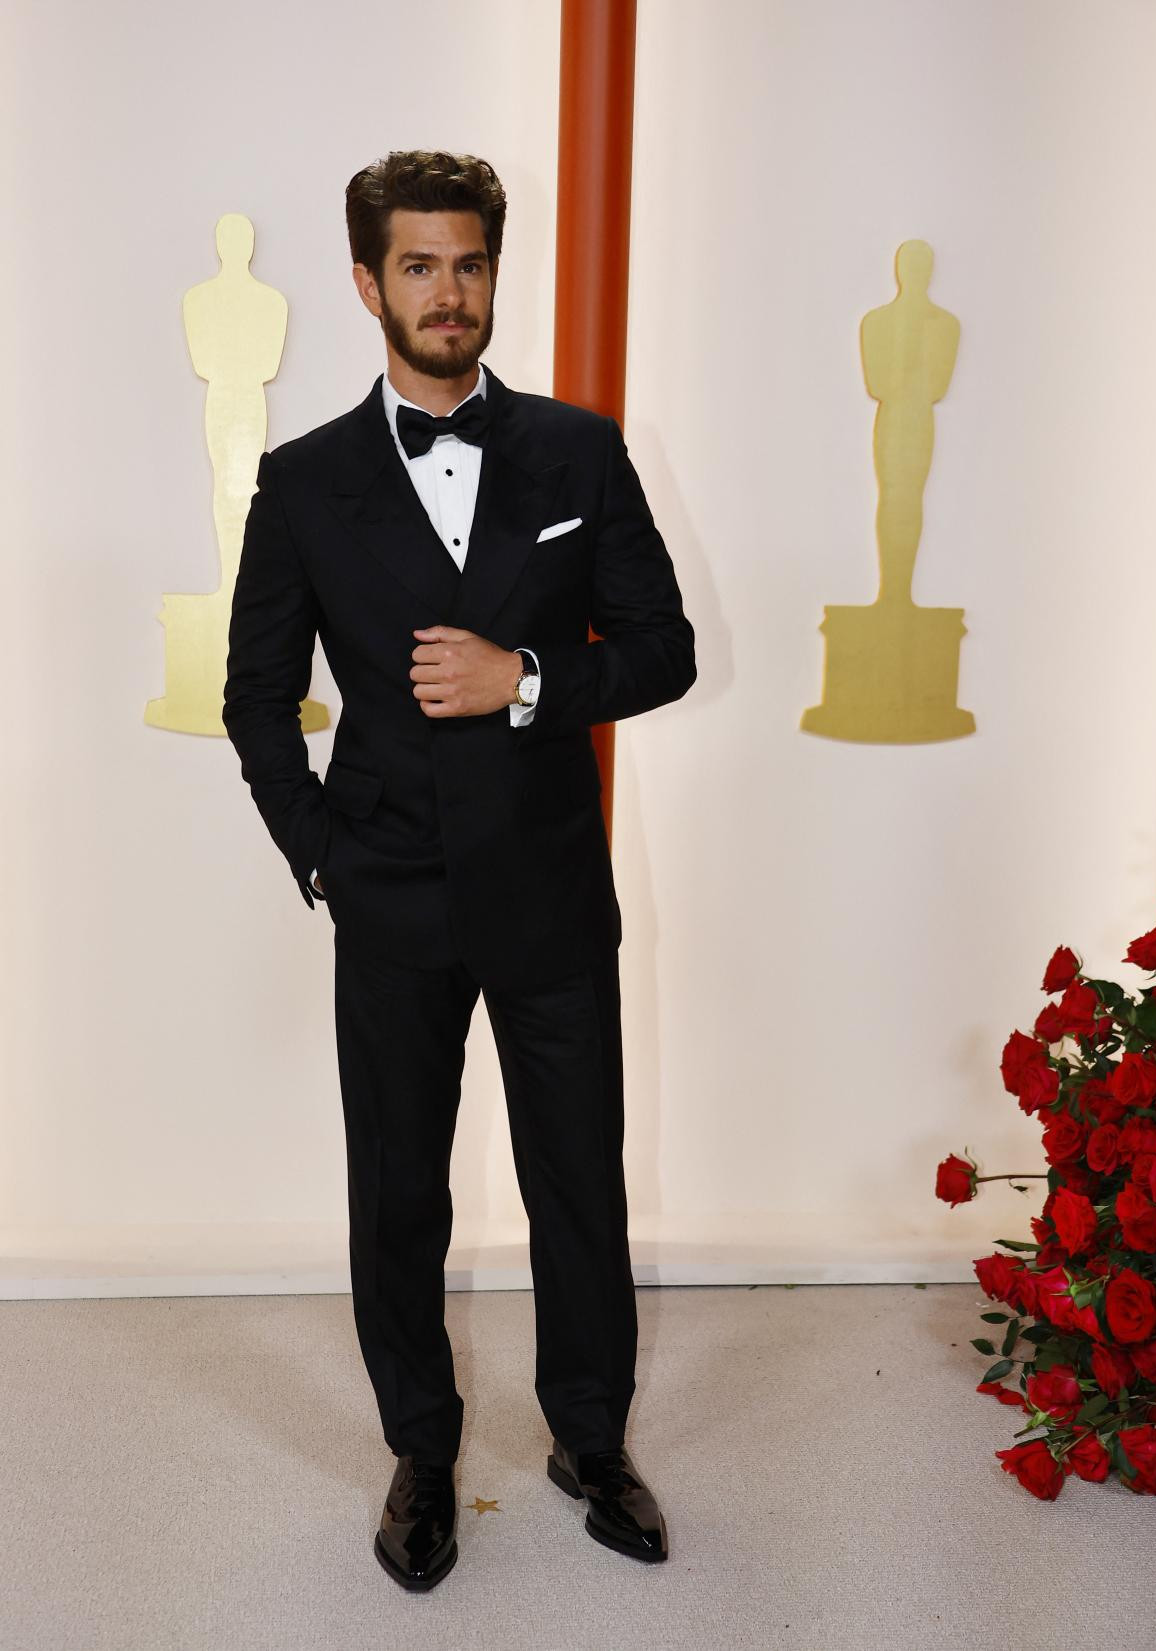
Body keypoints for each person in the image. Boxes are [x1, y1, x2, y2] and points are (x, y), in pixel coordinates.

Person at [222, 148, 697, 1591]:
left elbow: (664, 653)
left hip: (549, 881)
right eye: (419, 266)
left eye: (471, 263)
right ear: (366, 284)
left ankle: (589, 1439)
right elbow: (256, 696)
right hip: (391, 891)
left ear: (497, 271)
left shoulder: (578, 451)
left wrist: (529, 678)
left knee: (577, 1179)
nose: (450, 292)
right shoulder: (302, 481)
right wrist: (323, 858)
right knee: (397, 1191)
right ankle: (419, 1454)